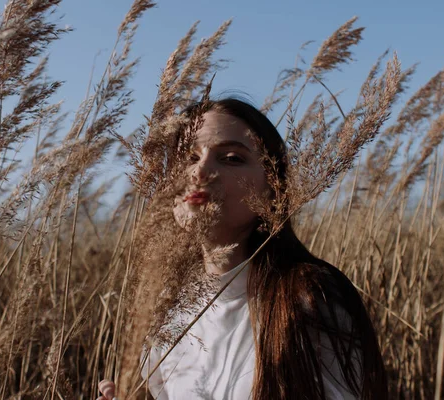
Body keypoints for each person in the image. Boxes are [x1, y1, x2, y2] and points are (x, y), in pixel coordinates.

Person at [98, 98, 387, 400]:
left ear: (273, 188)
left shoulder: (307, 297)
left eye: (231, 158)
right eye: (189, 157)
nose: (200, 171)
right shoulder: (168, 306)